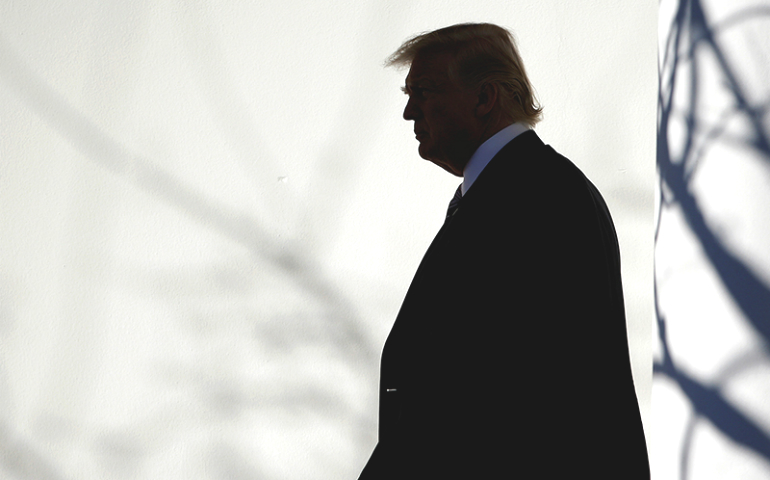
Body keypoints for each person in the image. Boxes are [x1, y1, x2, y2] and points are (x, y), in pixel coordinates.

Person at [357, 23, 650, 479]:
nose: (409, 113)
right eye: (407, 94)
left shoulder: (538, 196)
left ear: (484, 98)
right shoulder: (521, 191)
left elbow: (496, 393)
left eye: (426, 91)